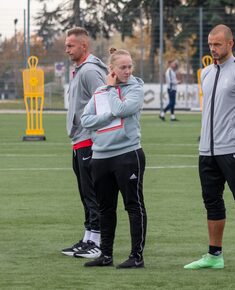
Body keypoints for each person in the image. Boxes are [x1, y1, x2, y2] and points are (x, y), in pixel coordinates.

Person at [183, 24, 235, 273]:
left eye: (217, 44)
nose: (213, 49)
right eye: (210, 44)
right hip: (207, 150)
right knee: (212, 202)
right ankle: (214, 254)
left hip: (234, 149)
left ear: (230, 44)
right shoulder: (206, 73)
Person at [80, 48, 147, 268]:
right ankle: (105, 256)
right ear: (112, 69)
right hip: (100, 157)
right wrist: (106, 110)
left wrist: (110, 89)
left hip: (127, 155)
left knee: (133, 206)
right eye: (123, 67)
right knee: (105, 208)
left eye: (130, 67)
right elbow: (86, 120)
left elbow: (121, 109)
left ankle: (136, 256)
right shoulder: (100, 91)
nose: (127, 71)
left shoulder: (135, 88)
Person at [61, 27, 107, 259]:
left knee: (93, 193)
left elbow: (104, 101)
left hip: (90, 140)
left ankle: (98, 242)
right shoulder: (79, 69)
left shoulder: (90, 71)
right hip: (79, 140)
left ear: (83, 46)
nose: (67, 49)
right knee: (84, 193)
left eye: (70, 45)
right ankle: (88, 238)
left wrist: (94, 133)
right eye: (67, 45)